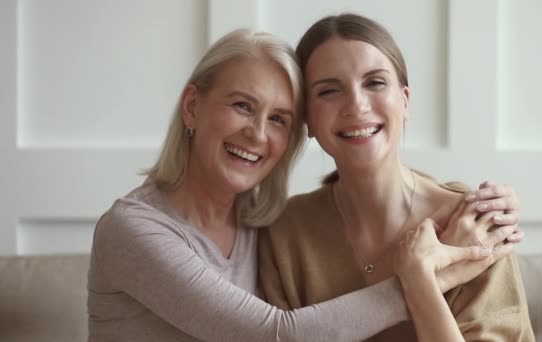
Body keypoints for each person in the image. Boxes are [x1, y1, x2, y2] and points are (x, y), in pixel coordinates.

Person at [87, 28, 508, 342]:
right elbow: (278, 335)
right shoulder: (131, 229)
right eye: (241, 106)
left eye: (278, 119)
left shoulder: (262, 226)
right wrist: (425, 276)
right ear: (192, 107)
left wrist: (475, 200)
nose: (256, 133)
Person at [258, 13, 534, 341]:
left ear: (405, 102)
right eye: (329, 91)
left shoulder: (474, 223)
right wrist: (416, 280)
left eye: (375, 82)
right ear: (309, 121)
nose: (356, 105)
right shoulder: (284, 232)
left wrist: (419, 280)